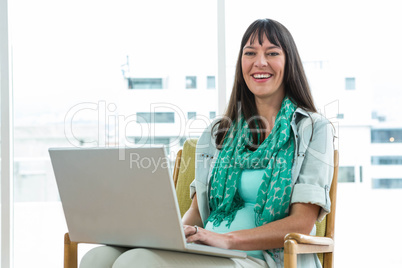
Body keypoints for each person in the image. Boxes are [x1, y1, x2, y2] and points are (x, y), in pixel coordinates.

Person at [80, 18, 334, 268]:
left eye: (272, 53)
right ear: (241, 64)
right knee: (98, 258)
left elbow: (301, 223)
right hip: (209, 253)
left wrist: (226, 240)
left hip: (265, 259)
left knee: (137, 263)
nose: (260, 62)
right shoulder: (217, 133)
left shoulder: (312, 129)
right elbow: (198, 214)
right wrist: (167, 237)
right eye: (250, 53)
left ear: (289, 63)